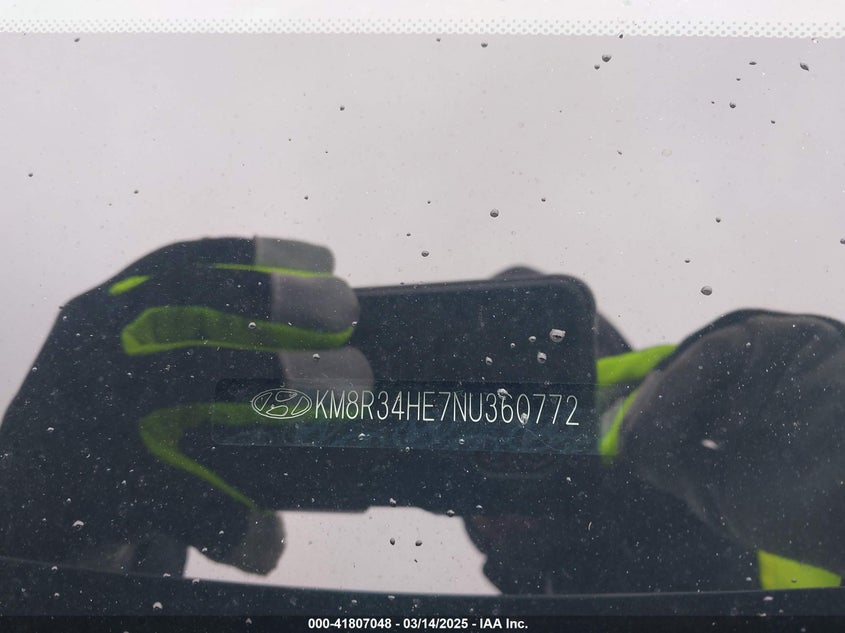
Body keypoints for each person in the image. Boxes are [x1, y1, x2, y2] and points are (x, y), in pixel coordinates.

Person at [0, 237, 842, 593]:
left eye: (517, 427)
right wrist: (47, 549)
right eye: (466, 448)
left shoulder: (750, 443)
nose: (490, 512)